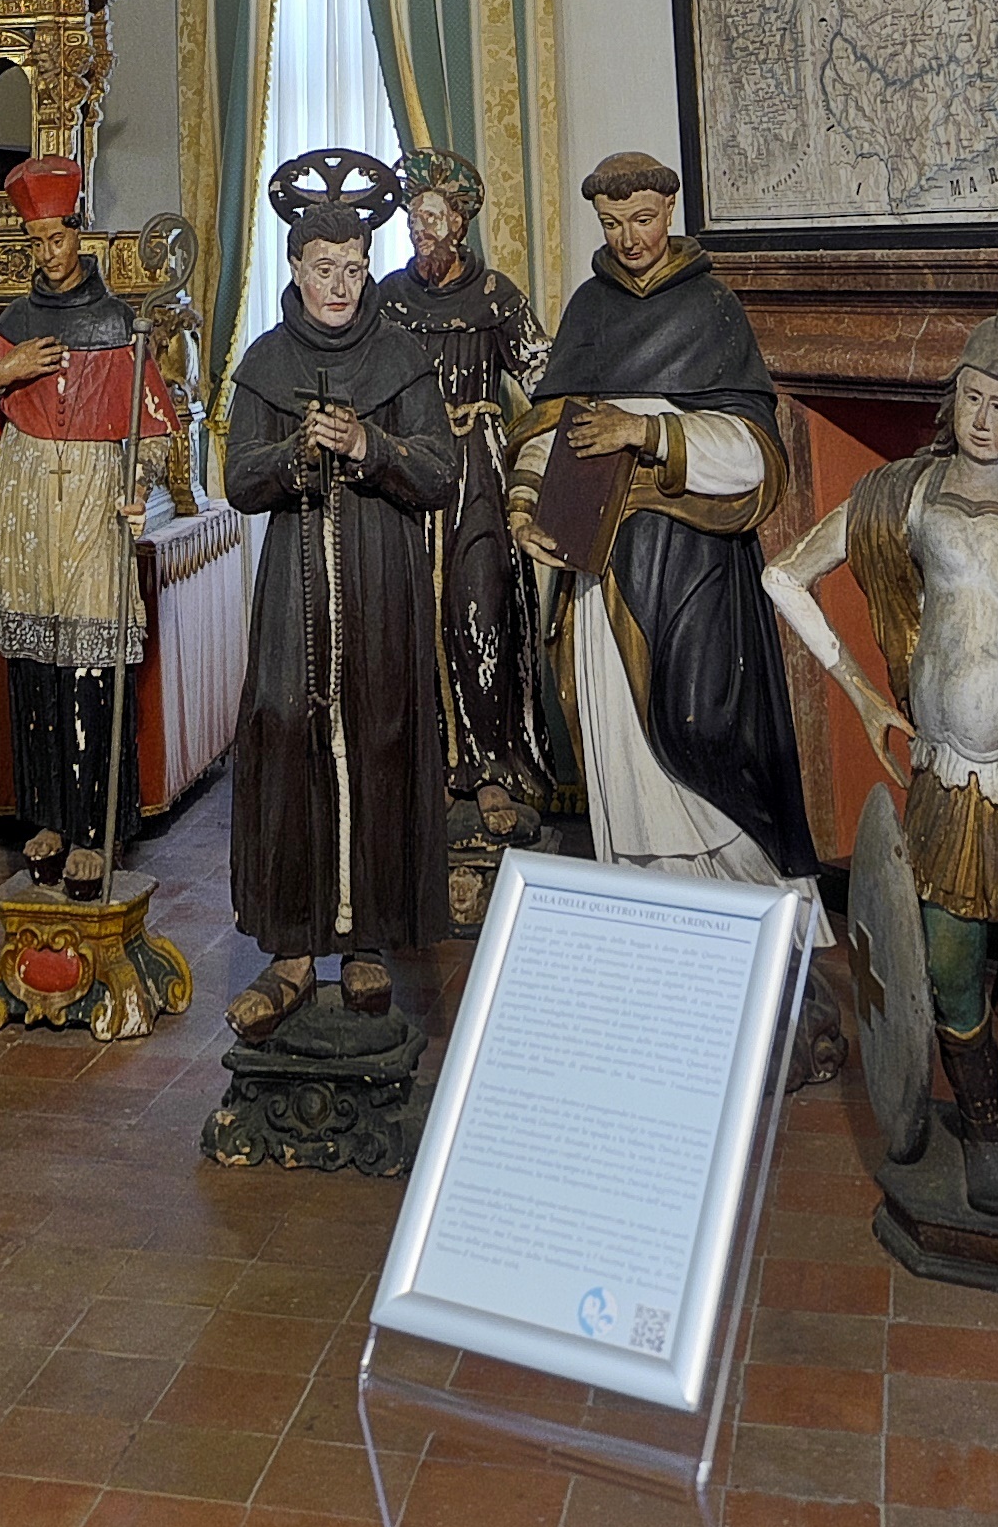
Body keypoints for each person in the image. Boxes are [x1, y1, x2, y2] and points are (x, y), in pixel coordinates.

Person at [761, 289, 998, 1211]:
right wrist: (858, 692)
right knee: (945, 969)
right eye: (973, 398)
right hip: (942, 777)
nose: (985, 419)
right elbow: (785, 575)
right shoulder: (902, 495)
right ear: (954, 399)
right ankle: (982, 1137)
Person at [508, 150, 811, 886]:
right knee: (620, 747)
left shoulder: (713, 308)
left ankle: (739, 908)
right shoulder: (590, 308)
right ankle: (645, 915)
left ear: (669, 212)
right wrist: (523, 502)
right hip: (602, 572)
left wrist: (647, 432)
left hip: (696, 572)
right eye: (613, 225)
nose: (629, 239)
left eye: (642, 220)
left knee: (704, 729)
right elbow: (550, 424)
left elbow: (757, 455)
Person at [223, 148, 454, 1030]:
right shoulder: (264, 361)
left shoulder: (401, 355)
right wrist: (294, 455)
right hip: (294, 594)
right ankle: (289, 953)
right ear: (293, 267)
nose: (340, 286)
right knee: (285, 735)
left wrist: (369, 448)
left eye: (355, 270)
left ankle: (365, 943)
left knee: (381, 731)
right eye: (324, 270)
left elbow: (436, 476)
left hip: (380, 581)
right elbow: (241, 481)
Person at [0, 153, 178, 892]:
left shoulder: (119, 323)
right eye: (35, 242)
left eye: (56, 238)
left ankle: (97, 827)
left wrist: (136, 483)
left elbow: (153, 431)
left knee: (91, 660)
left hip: (90, 496)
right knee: (35, 664)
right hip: (24, 496)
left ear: (78, 234)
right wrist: (7, 371)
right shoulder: (16, 322)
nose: (46, 254)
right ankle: (47, 816)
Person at [373, 141, 551, 852]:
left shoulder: (495, 297)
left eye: (433, 221)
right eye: (414, 221)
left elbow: (550, 384)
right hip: (407, 472)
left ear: (460, 225)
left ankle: (490, 770)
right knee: (409, 617)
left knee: (481, 607)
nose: (422, 234)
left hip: (476, 466)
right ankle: (423, 770)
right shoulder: (386, 298)